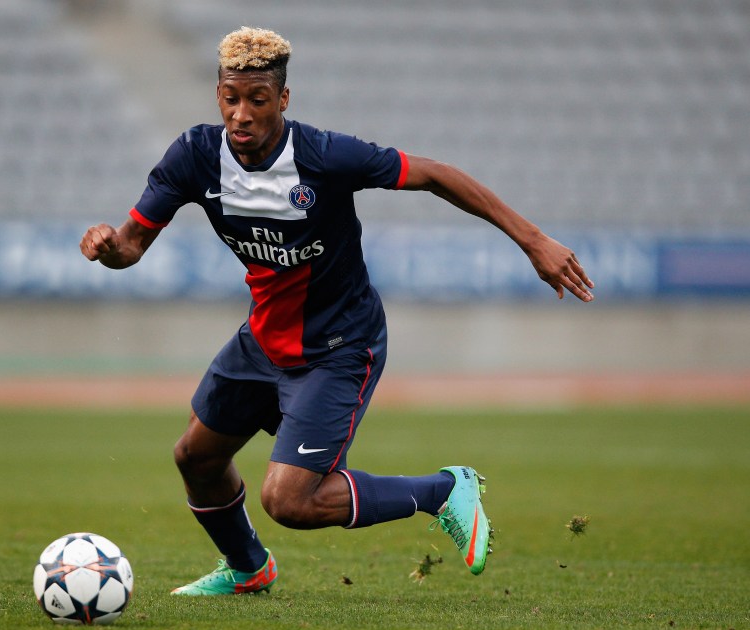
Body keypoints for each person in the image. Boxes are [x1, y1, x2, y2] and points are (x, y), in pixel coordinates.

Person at [80, 27, 594, 595]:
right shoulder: (195, 157)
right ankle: (250, 570)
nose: (241, 114)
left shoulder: (324, 156)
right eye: (230, 98)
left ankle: (444, 491)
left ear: (283, 99)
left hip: (339, 347)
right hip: (263, 341)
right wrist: (109, 249)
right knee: (196, 457)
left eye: (256, 99)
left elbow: (435, 175)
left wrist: (534, 241)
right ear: (218, 94)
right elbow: (131, 246)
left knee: (289, 500)